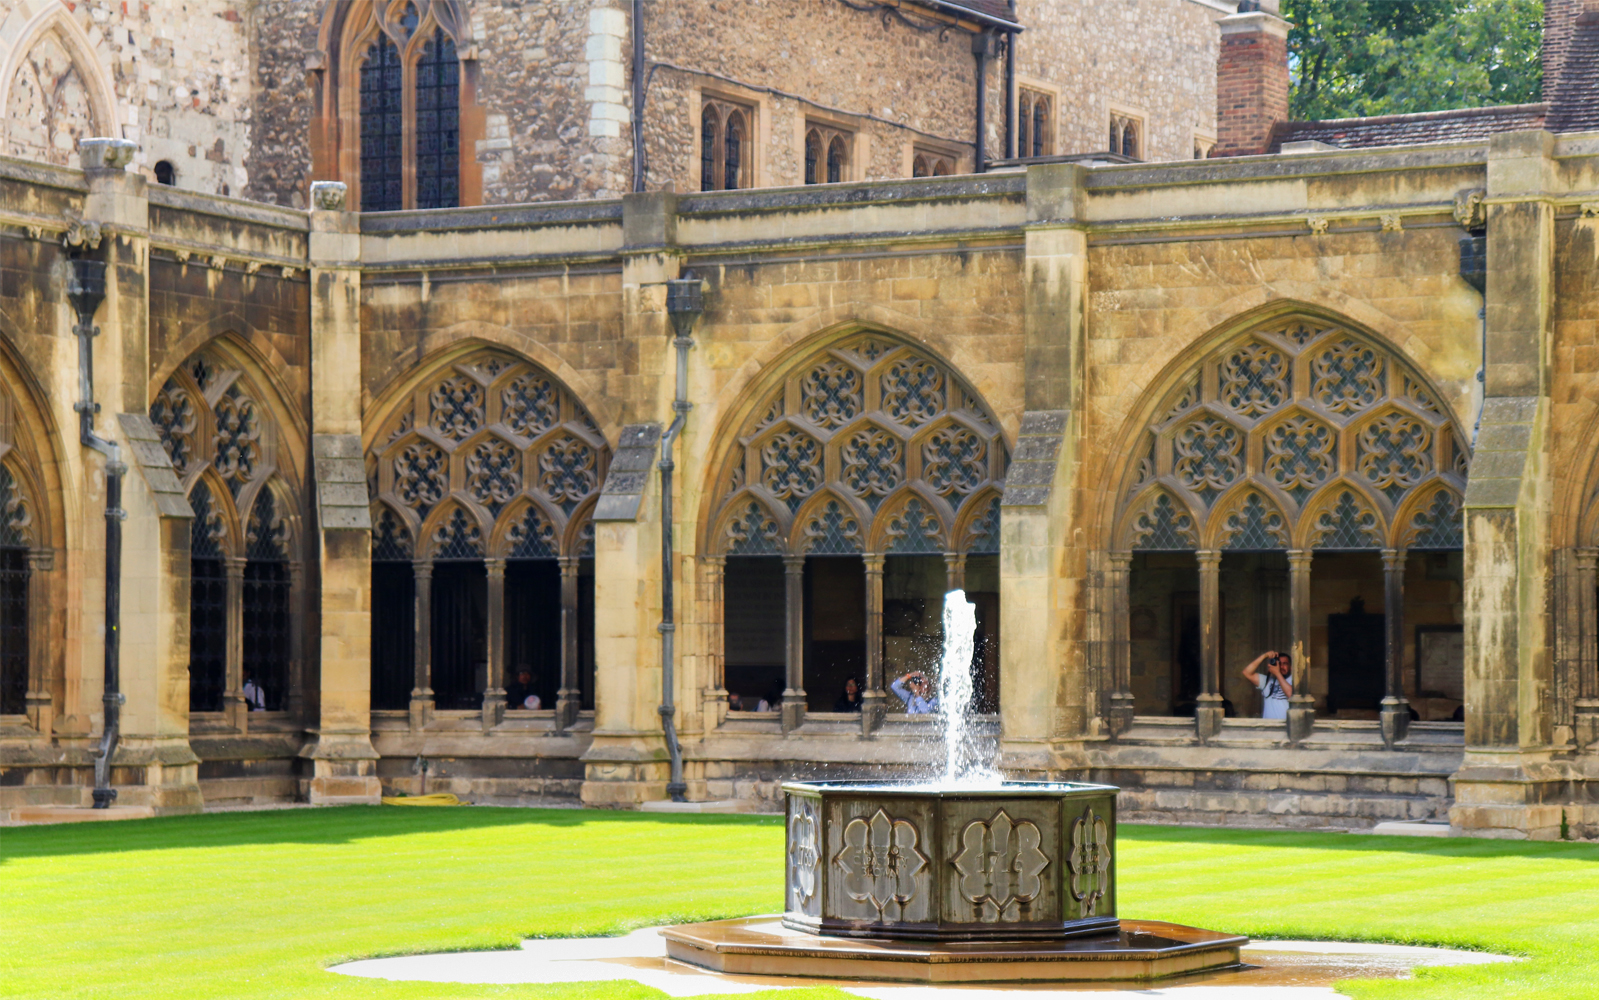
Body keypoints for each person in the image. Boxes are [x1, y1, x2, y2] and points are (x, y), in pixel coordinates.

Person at [1242, 650, 1293, 721]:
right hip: (1268, 727)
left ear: (1291, 667)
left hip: (1286, 727)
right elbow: (1247, 673)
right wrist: (1264, 656)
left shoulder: (1294, 681)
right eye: (1278, 664)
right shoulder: (1267, 681)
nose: (1281, 667)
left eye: (1285, 664)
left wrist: (1277, 673)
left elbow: (1291, 694)